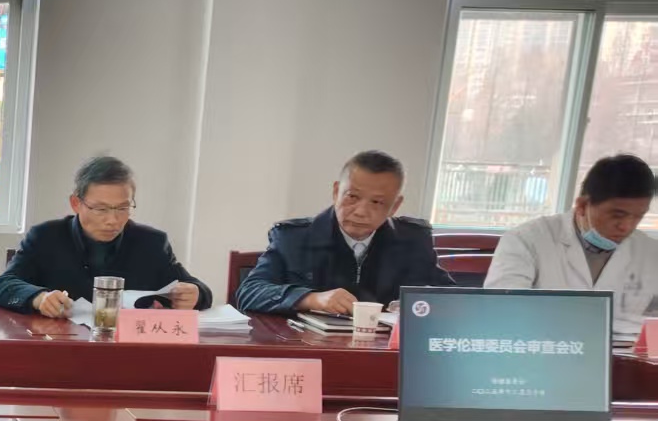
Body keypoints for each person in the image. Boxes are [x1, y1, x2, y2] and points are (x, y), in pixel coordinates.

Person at [235, 150, 453, 317]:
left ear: (395, 206)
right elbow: (249, 292)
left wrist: (420, 304)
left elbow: (453, 299)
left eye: (377, 202)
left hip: (383, 353)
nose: (361, 212)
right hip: (311, 350)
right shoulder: (293, 238)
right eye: (352, 197)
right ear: (336, 191)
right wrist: (310, 299)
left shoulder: (413, 240)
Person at [0, 155, 211, 317]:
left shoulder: (151, 243)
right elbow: (3, 285)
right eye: (101, 209)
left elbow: (195, 287)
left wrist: (196, 294)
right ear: (76, 203)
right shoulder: (46, 237)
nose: (112, 220)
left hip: (129, 352)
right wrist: (39, 298)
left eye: (123, 208)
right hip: (60, 347)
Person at [487, 153, 658, 339]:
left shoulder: (650, 252)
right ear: (582, 205)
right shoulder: (526, 240)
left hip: (627, 354)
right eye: (617, 215)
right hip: (547, 347)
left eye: (638, 216)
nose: (627, 226)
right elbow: (502, 312)